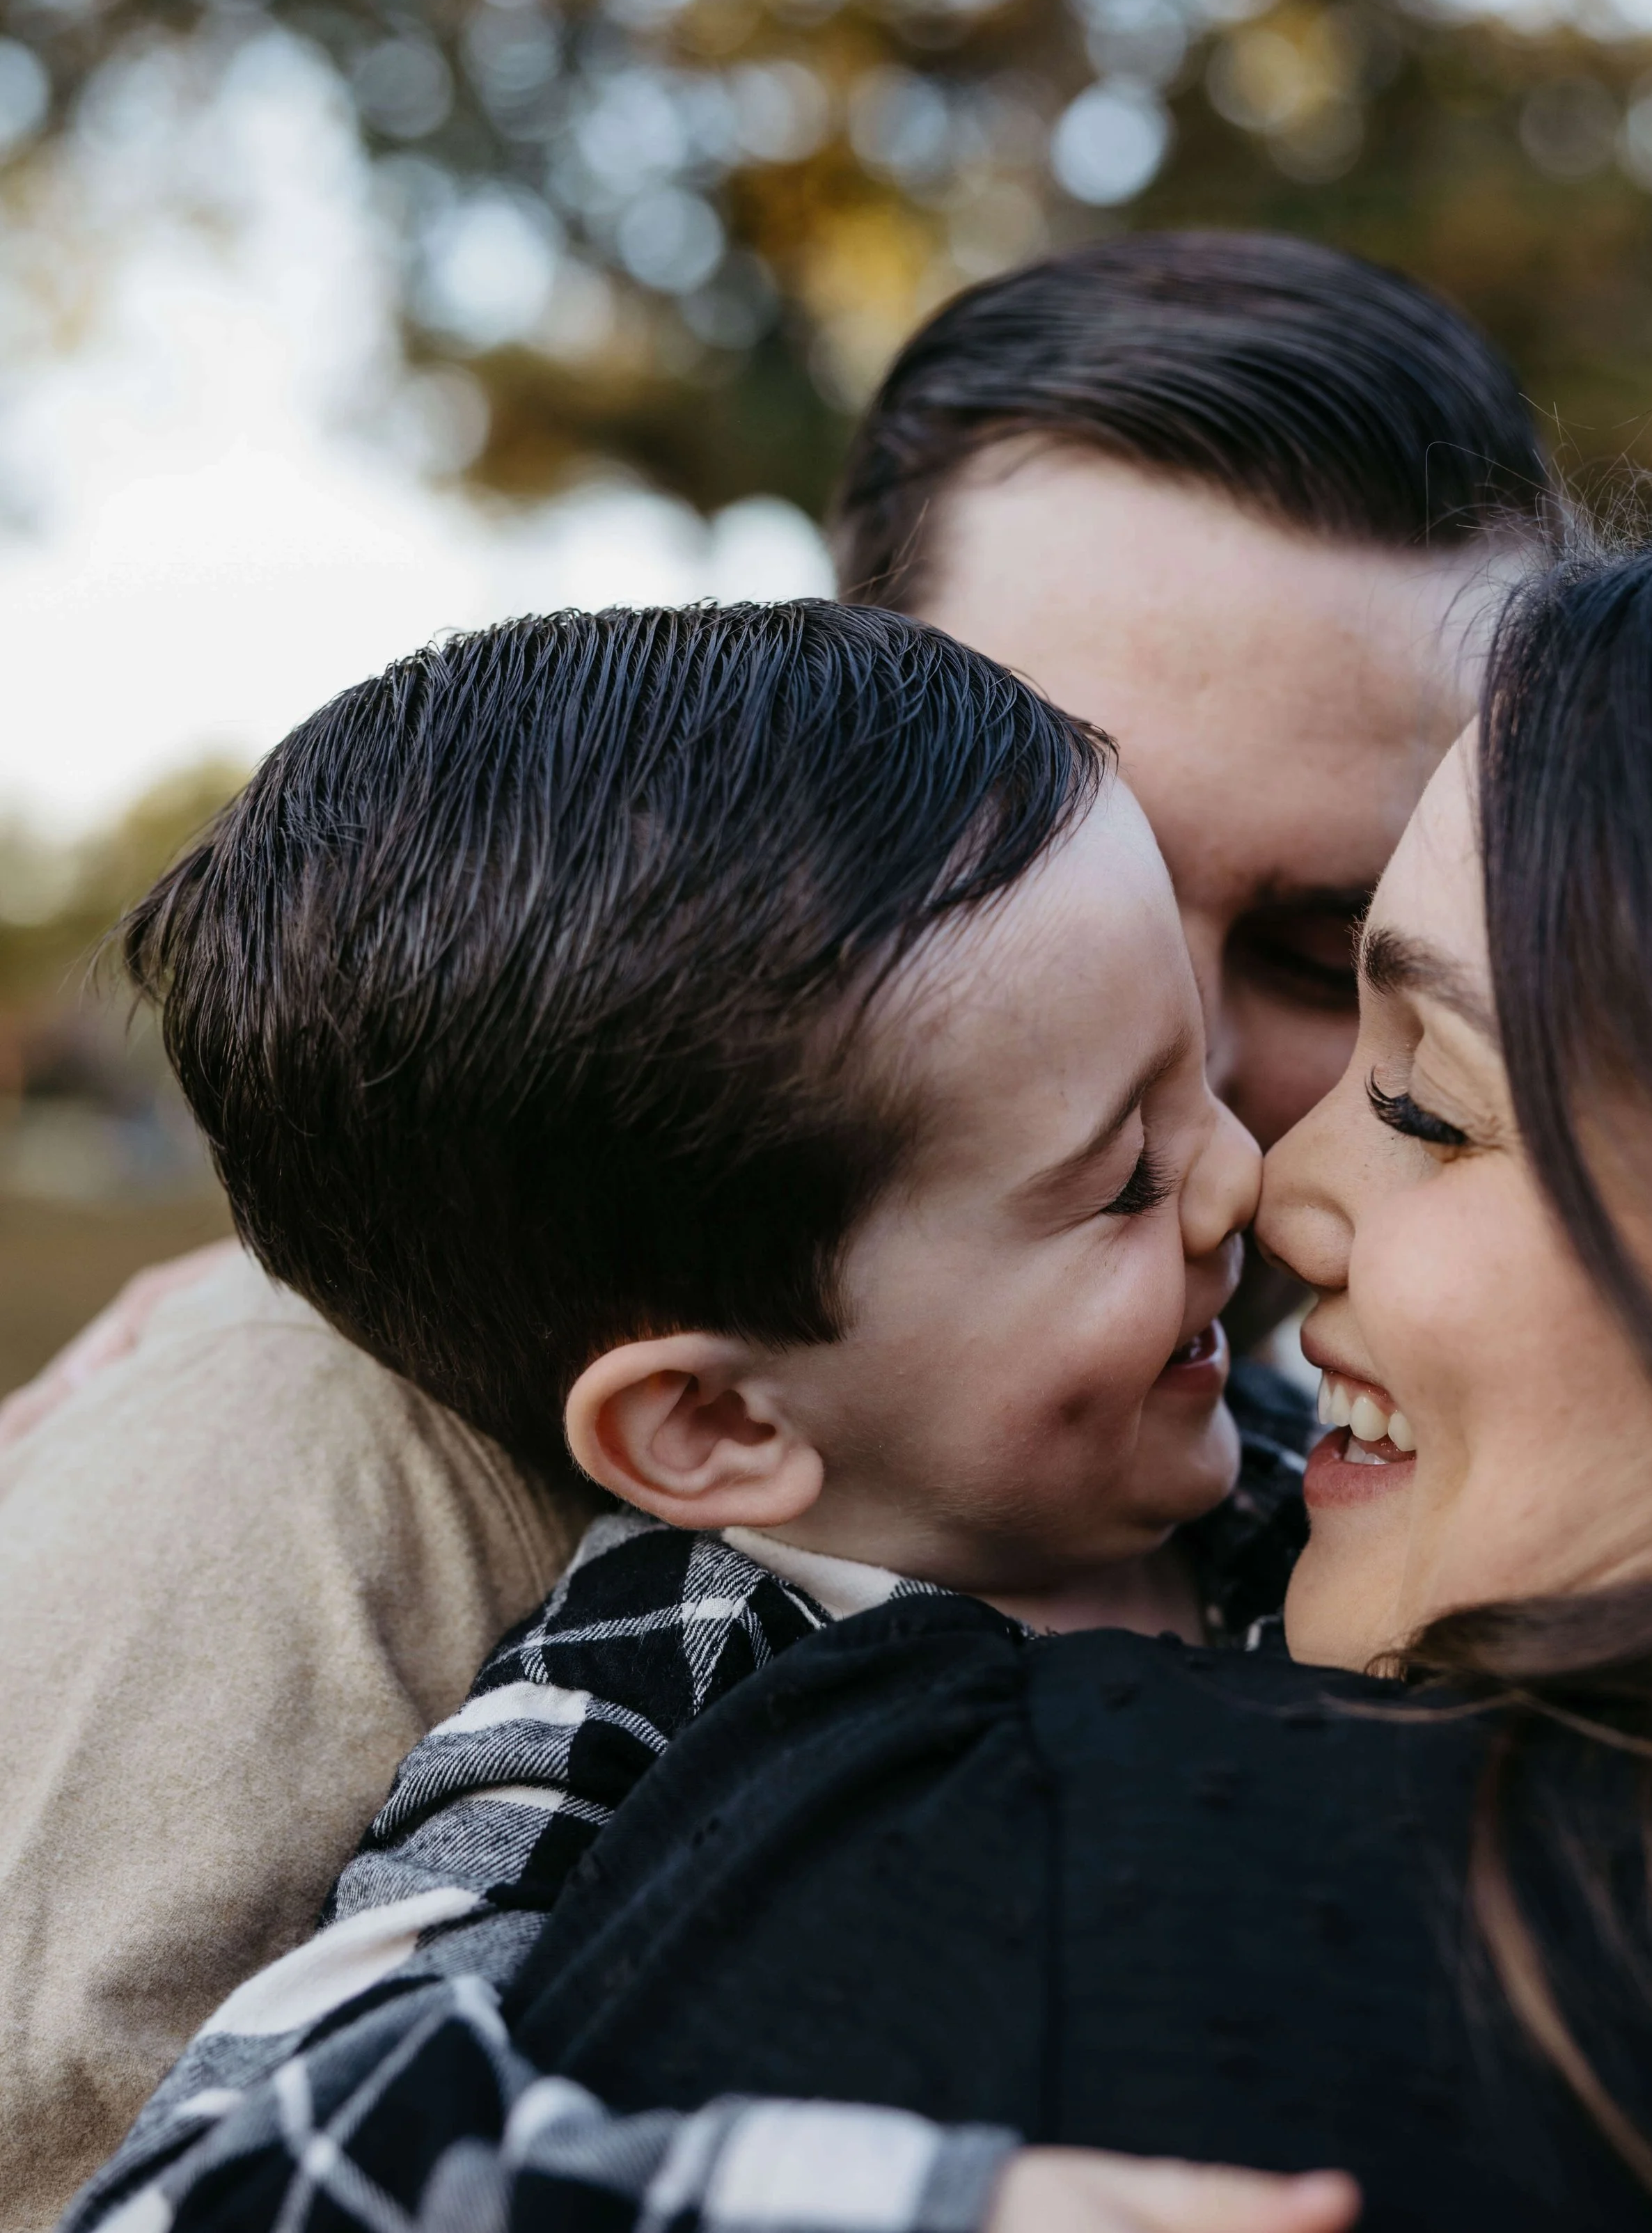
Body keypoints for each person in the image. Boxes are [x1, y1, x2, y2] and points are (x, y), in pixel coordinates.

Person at [0, 231, 1549, 2227]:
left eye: (1323, 945)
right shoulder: (368, 1499)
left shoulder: (1338, 1421)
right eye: (1092, 886)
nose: (1234, 1142)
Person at [62, 595, 1350, 2233]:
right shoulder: (651, 1682)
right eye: (1120, 1179)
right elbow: (221, 2190)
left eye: (1202, 1081)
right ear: (713, 1426)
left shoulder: (1304, 1466)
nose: (1246, 1177)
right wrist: (935, 2208)